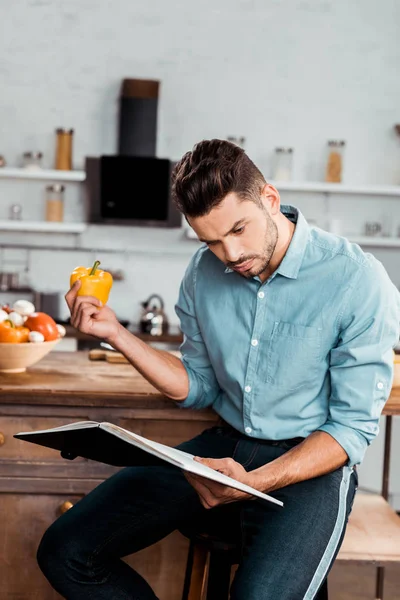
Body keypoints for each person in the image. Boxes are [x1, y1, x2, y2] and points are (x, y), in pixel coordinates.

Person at [37, 139, 400, 600]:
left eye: (238, 230)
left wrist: (253, 483)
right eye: (210, 240)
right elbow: (199, 386)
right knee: (66, 550)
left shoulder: (357, 280)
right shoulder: (201, 271)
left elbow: (350, 431)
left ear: (269, 198)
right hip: (223, 447)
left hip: (313, 463)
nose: (229, 254)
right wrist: (116, 334)